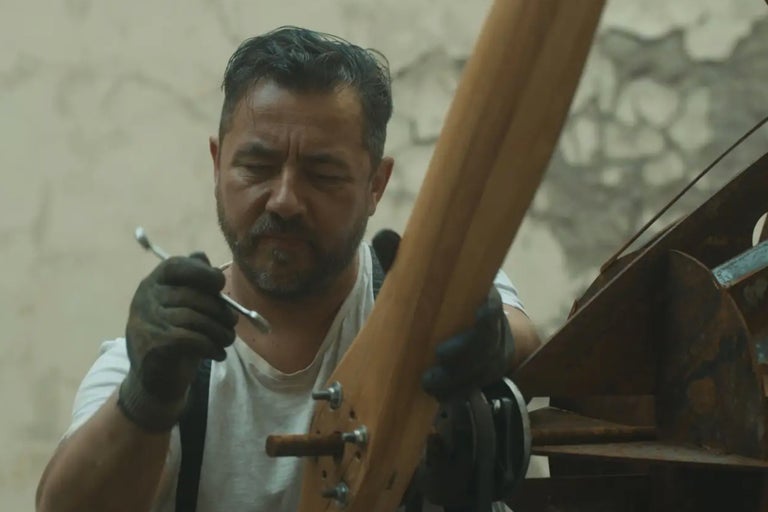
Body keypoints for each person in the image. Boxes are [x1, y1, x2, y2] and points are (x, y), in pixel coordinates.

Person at [35, 26, 541, 512]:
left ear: (376, 184)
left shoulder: (421, 289)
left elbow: (523, 336)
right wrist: (146, 400)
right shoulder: (160, 358)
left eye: (322, 174)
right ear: (217, 166)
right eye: (257, 167)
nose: (285, 200)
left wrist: (488, 340)